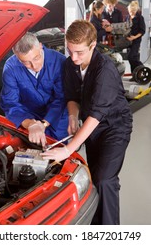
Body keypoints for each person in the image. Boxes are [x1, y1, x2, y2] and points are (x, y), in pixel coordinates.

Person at [41, 19, 133, 225]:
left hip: (114, 127)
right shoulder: (69, 64)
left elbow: (96, 116)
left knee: (105, 179)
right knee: (94, 178)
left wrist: (67, 150)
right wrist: (73, 117)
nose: (73, 58)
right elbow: (72, 96)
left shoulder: (105, 71)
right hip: (91, 128)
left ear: (93, 45)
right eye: (69, 50)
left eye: (79, 52)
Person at [0, 32, 68, 147]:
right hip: (27, 117)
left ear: (40, 46)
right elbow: (10, 103)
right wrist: (30, 124)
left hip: (57, 118)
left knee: (58, 154)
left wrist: (43, 124)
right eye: (26, 62)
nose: (35, 66)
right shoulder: (10, 69)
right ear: (16, 56)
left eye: (37, 58)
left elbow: (61, 98)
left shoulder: (59, 61)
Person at [125, 0, 146, 77]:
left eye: (133, 11)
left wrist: (134, 37)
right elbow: (124, 28)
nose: (131, 12)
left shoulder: (140, 18)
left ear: (136, 10)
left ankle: (143, 69)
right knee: (131, 58)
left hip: (136, 40)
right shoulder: (127, 17)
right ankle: (135, 76)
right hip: (128, 41)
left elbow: (142, 31)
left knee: (132, 57)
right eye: (130, 11)